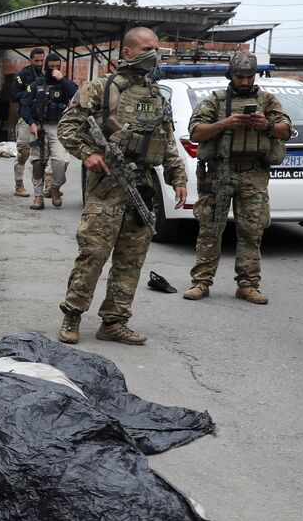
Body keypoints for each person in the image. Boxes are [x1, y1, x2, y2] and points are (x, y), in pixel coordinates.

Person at [56, 27, 187, 345]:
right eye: (146, 48)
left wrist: (178, 178)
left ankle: (114, 321)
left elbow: (167, 141)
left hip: (142, 185)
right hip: (107, 185)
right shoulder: (101, 88)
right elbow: (67, 127)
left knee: (131, 259)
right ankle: (72, 316)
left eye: (156, 48)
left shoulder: (157, 96)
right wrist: (87, 153)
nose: (153, 54)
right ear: (127, 52)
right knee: (93, 253)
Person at [182, 51, 292, 305]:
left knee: (252, 232)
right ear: (230, 75)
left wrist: (266, 125)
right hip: (220, 171)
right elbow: (196, 132)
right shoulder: (215, 100)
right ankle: (201, 282)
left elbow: (286, 130)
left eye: (249, 76)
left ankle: (248, 285)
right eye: (240, 76)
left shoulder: (267, 100)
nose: (245, 81)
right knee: (210, 230)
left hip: (253, 173)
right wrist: (225, 124)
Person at [20, 53, 77, 210]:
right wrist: (31, 122)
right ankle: (38, 197)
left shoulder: (65, 83)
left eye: (57, 66)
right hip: (39, 127)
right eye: (51, 66)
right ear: (46, 66)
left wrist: (62, 79)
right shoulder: (36, 84)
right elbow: (25, 105)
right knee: (38, 163)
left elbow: (76, 95)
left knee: (61, 161)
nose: (54, 69)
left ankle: (55, 187)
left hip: (58, 127)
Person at [11, 47, 46, 197]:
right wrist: (31, 92)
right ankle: (19, 185)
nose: (39, 63)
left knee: (46, 154)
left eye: (41, 60)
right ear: (30, 60)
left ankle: (48, 186)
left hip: (44, 119)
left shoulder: (47, 74)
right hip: (26, 118)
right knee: (23, 152)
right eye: (36, 61)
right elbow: (14, 95)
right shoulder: (22, 75)